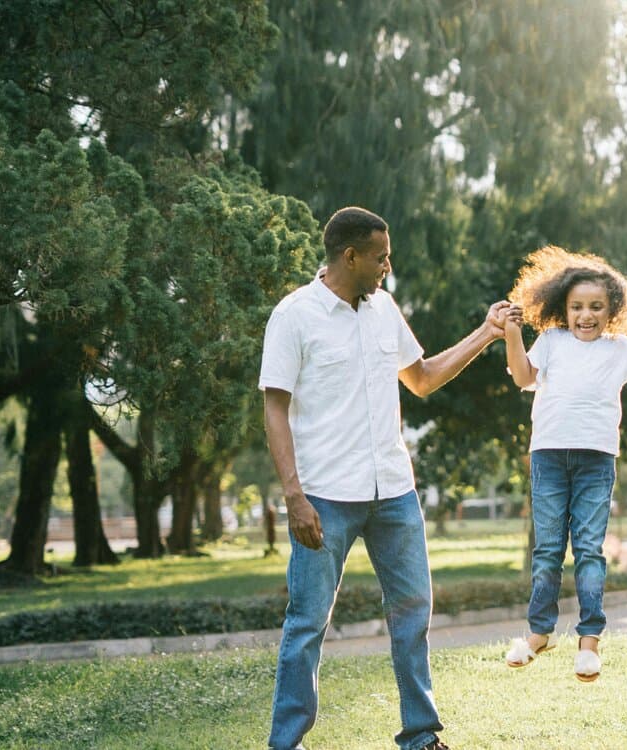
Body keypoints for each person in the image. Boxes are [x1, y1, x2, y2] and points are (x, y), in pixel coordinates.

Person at [260, 206, 511, 750]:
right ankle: (286, 743)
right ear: (350, 256)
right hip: (325, 497)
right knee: (307, 623)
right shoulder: (294, 315)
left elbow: (419, 379)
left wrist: (486, 334)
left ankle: (421, 737)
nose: (387, 267)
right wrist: (294, 495)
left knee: (413, 612)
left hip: (393, 491)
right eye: (380, 257)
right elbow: (275, 407)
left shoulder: (383, 309)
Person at [500, 245, 627, 682]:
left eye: (595, 307)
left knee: (589, 550)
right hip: (548, 456)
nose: (585, 315)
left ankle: (589, 643)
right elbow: (522, 377)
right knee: (548, 550)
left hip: (596, 460)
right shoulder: (551, 341)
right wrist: (512, 334)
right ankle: (538, 634)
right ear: (562, 309)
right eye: (576, 307)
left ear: (613, 310)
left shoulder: (621, 349)